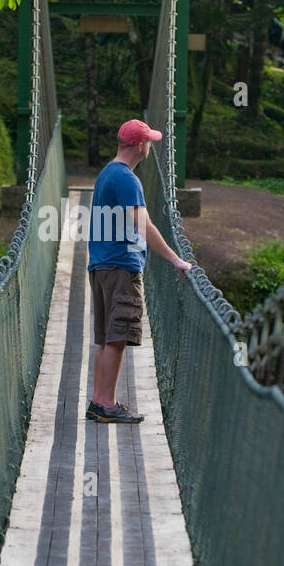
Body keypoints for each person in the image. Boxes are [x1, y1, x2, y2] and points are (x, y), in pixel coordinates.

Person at [86, 118, 194, 424]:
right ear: (138, 145)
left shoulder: (107, 173)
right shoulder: (127, 180)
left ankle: (98, 401)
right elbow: (143, 225)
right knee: (118, 336)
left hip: (102, 264)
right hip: (121, 266)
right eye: (149, 142)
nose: (150, 146)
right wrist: (176, 260)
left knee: (107, 337)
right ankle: (106, 403)